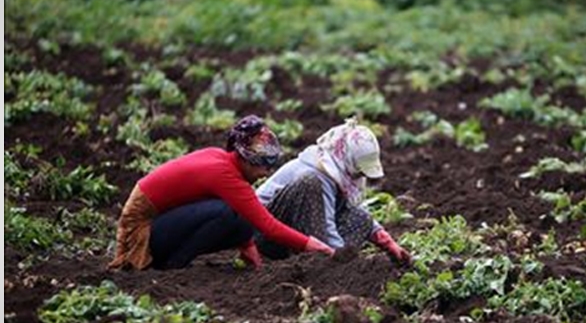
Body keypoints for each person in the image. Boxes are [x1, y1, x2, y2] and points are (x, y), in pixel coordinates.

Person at [108, 115, 334, 271]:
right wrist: (317, 246)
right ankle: (172, 265)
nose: (264, 174)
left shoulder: (222, 159)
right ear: (244, 158)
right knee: (225, 213)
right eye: (261, 166)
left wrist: (248, 245)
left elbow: (249, 216)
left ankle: (172, 260)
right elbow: (269, 226)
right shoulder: (225, 175)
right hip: (141, 230)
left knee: (239, 217)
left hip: (162, 220)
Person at [255, 117, 412, 264]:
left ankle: (314, 259)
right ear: (347, 157)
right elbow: (325, 225)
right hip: (265, 233)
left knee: (362, 219)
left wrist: (387, 241)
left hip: (296, 233)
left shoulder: (341, 168)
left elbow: (351, 209)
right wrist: (340, 259)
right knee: (311, 183)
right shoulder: (317, 174)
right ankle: (322, 262)